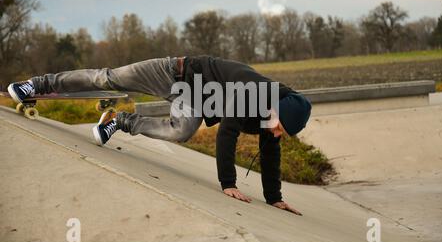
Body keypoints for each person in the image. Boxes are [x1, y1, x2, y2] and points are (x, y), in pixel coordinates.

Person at [7, 55, 311, 215]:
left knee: (182, 131)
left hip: (193, 98)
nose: (275, 132)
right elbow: (227, 132)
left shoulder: (273, 114)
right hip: (171, 72)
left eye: (281, 131)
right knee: (109, 78)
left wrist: (275, 199)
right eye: (279, 127)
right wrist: (228, 184)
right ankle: (37, 84)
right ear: (277, 110)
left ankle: (122, 122)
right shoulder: (252, 90)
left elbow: (271, 150)